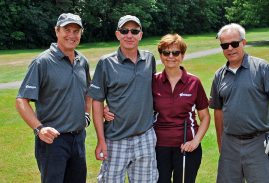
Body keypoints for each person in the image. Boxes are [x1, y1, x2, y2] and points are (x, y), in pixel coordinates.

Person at [15, 13, 91, 183]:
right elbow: (21, 100)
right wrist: (38, 128)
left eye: (76, 31)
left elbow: (88, 92)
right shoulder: (42, 62)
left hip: (78, 139)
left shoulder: (82, 61)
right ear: (57, 31)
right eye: (67, 30)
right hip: (52, 142)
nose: (72, 35)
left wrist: (86, 114)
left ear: (81, 33)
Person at [209, 23, 269, 183]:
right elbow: (218, 111)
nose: (230, 48)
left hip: (258, 143)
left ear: (243, 42)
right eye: (225, 45)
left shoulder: (262, 68)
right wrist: (221, 143)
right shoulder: (219, 75)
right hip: (230, 144)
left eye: (234, 43)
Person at [87, 15, 158, 182]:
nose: (129, 35)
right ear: (117, 34)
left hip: (145, 137)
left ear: (140, 35)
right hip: (115, 140)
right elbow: (97, 101)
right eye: (124, 31)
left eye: (134, 31)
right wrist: (101, 140)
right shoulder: (106, 63)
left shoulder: (149, 59)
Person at [153, 33, 210, 183]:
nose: (171, 56)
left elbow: (205, 117)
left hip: (187, 146)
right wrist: (109, 109)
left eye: (176, 52)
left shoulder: (194, 82)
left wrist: (196, 141)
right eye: (166, 52)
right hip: (158, 146)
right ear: (161, 55)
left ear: (182, 56)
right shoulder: (152, 81)